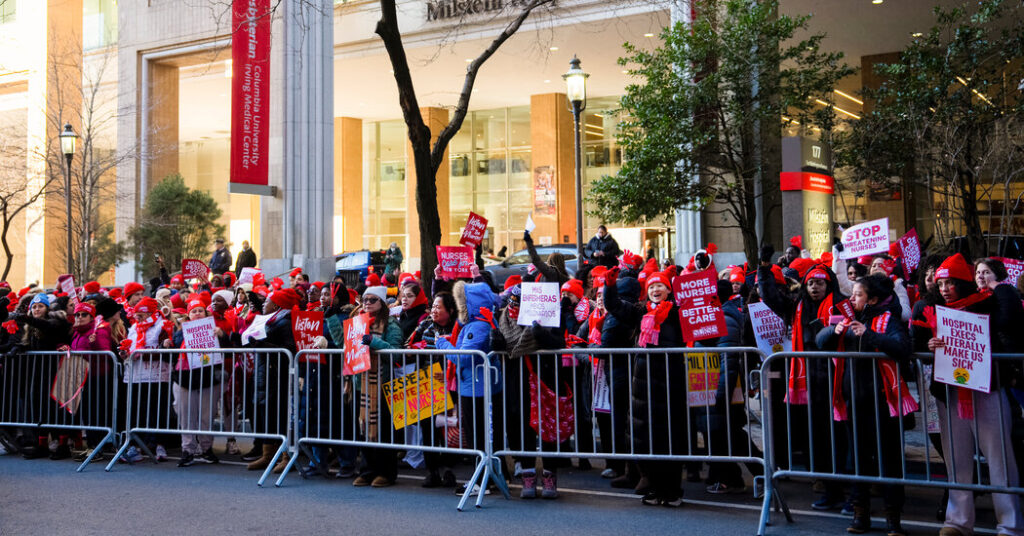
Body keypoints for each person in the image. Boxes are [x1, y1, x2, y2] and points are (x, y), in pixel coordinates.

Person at [925, 254, 1023, 536]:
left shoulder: (988, 303)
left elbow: (1009, 319)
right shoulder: (935, 310)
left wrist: (998, 285)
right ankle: (957, 521)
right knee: (956, 460)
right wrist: (930, 343)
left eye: (950, 283)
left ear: (963, 282)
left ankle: (1010, 524)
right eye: (940, 284)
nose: (944, 289)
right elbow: (914, 342)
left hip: (986, 389)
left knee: (999, 457)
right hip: (950, 392)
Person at [816, 274, 916, 536]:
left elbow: (902, 348)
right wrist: (834, 330)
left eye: (858, 294)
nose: (852, 298)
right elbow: (820, 341)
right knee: (858, 460)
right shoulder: (847, 319)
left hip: (883, 402)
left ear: (872, 299)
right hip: (854, 401)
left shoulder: (888, 319)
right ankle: (861, 514)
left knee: (890, 461)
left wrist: (869, 334)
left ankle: (893, 519)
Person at [353, 285, 403, 488]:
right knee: (363, 428)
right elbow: (344, 345)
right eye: (365, 299)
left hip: (381, 383)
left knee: (383, 430)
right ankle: (367, 471)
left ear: (382, 303)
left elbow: (396, 353)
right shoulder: (356, 322)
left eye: (372, 300)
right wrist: (332, 321)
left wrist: (374, 342)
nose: (367, 303)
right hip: (360, 383)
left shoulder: (391, 324)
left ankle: (386, 472)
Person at [171, 298, 226, 467]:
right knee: (186, 416)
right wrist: (171, 339)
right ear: (188, 315)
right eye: (193, 311)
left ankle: (206, 448)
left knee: (207, 416)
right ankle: (188, 450)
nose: (197, 314)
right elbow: (174, 345)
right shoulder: (179, 330)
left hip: (208, 378)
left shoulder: (215, 329)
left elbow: (227, 347)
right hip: (184, 378)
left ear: (206, 313)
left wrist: (221, 335)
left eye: (200, 310)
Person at [69, 302, 114, 463]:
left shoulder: (99, 330)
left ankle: (97, 447)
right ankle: (92, 446)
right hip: (82, 377)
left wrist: (94, 344)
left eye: (84, 315)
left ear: (91, 317)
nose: (80, 317)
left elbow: (105, 352)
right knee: (86, 412)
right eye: (77, 314)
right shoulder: (76, 332)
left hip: (97, 377)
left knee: (95, 413)